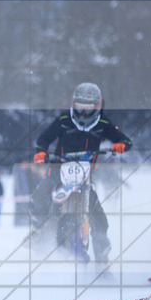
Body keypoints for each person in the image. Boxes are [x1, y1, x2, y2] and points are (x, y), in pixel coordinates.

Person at [30, 82, 131, 264]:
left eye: (88, 108)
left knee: (98, 215)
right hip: (59, 168)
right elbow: (43, 138)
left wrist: (121, 144)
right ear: (73, 104)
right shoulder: (63, 120)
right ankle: (37, 230)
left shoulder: (103, 124)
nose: (83, 112)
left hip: (84, 175)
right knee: (42, 192)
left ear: (97, 106)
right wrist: (41, 151)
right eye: (80, 107)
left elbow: (124, 139)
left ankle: (102, 258)